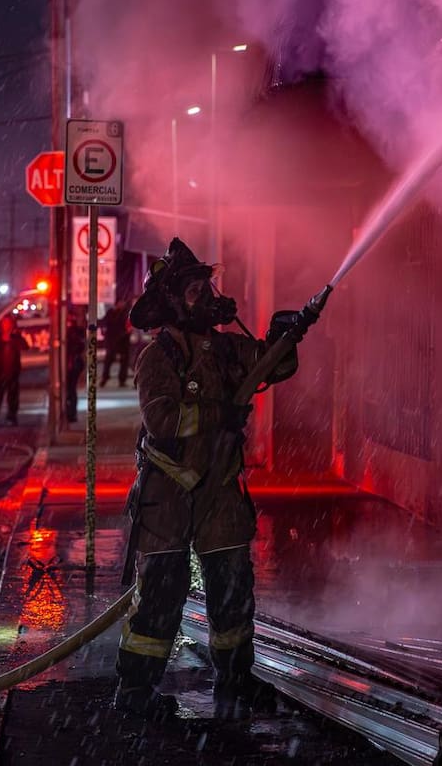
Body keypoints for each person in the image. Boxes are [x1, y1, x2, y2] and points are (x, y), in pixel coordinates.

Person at [114, 238, 303, 721]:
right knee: (159, 594)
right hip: (168, 492)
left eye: (206, 286)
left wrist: (287, 337)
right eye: (195, 290)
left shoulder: (224, 347)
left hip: (219, 489)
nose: (207, 295)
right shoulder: (158, 357)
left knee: (233, 589)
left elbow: (270, 364)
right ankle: (136, 691)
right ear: (174, 301)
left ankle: (236, 679)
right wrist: (222, 412)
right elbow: (164, 421)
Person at [0, 314, 27, 426]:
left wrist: (16, 336)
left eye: (9, 323)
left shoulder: (15, 337)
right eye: (5, 323)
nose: (7, 325)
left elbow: (25, 346)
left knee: (13, 397)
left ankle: (12, 417)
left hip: (12, 371)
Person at [100, 298, 132, 387]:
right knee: (109, 359)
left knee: (124, 360)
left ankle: (122, 380)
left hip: (123, 339)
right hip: (112, 339)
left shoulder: (126, 313)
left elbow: (129, 326)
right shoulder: (111, 313)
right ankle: (104, 378)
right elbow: (105, 324)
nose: (122, 304)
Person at [64, 308, 86, 423]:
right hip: (70, 363)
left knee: (70, 389)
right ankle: (70, 413)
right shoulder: (68, 330)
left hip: (73, 364)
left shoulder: (74, 331)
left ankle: (71, 414)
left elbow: (79, 347)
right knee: (69, 389)